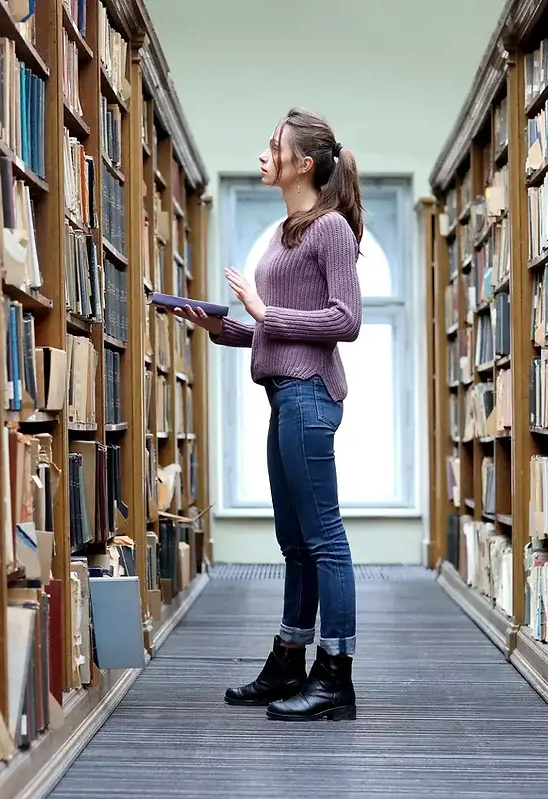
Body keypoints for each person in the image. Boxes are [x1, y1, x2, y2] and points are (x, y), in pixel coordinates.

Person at [170, 108, 362, 722]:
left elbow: (345, 321)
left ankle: (335, 676)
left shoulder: (331, 230)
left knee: (324, 539)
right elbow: (272, 332)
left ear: (302, 163)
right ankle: (289, 660)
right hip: (283, 393)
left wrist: (261, 310)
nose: (264, 155)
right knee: (294, 542)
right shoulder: (288, 232)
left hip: (310, 395)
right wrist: (222, 325)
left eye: (273, 146)